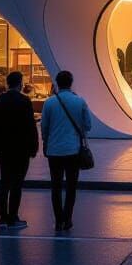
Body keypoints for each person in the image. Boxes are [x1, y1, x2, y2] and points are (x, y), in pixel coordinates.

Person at [41, 69, 92, 232]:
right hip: (73, 149)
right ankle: (67, 218)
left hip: (54, 150)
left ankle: (58, 220)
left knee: (55, 186)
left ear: (57, 83)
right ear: (71, 83)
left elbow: (44, 127)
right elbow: (88, 125)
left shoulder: (49, 102)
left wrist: (46, 142)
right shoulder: (80, 101)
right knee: (71, 186)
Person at [0, 70, 39, 231]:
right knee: (17, 183)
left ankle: (2, 218)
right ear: (20, 83)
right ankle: (13, 217)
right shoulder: (24, 101)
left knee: (4, 182)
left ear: (7, 83)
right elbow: (30, 127)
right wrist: (34, 147)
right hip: (21, 148)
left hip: (3, 148)